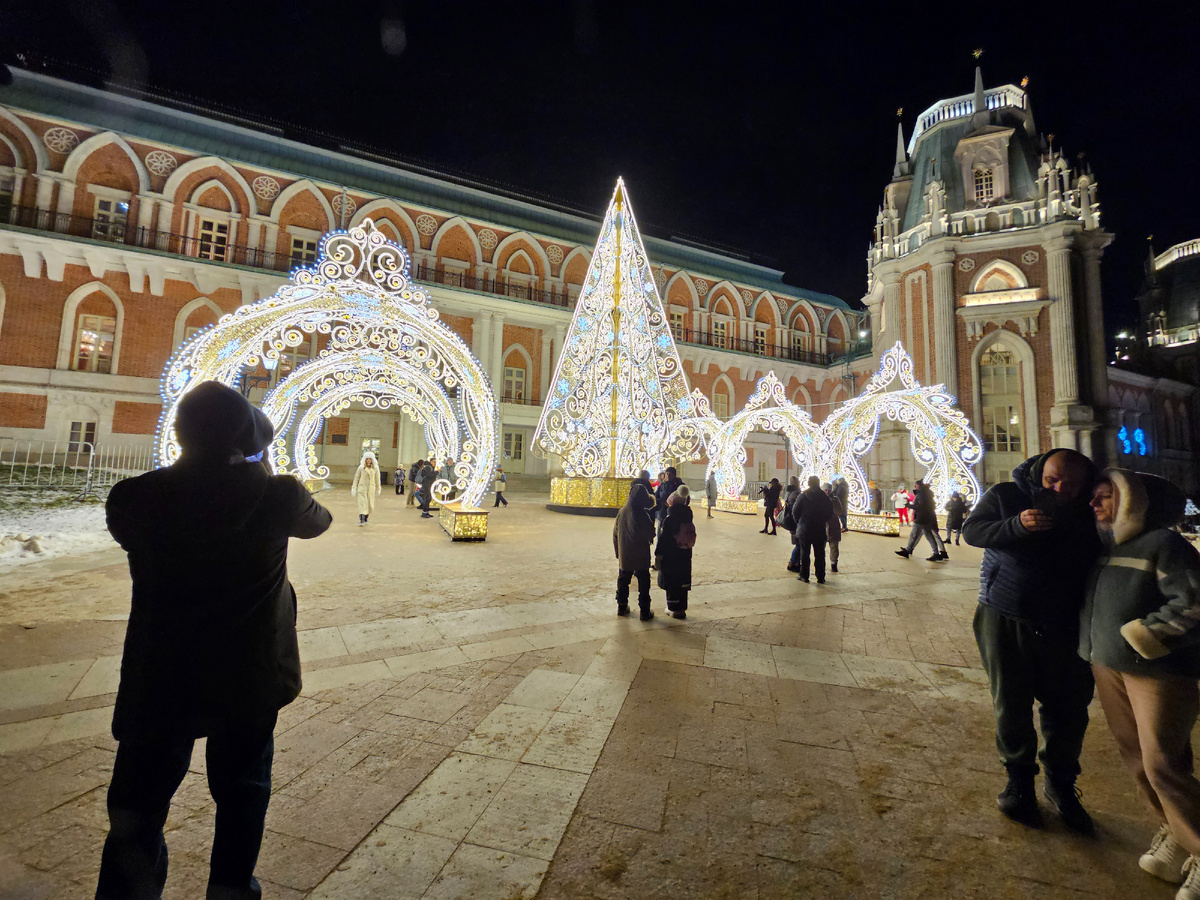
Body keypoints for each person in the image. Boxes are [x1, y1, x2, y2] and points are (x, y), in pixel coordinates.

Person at [96, 381, 332, 900]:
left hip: (161, 675)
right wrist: (257, 468)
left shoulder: (135, 497)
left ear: (180, 433)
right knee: (243, 792)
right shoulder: (275, 495)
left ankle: (128, 892)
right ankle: (230, 890)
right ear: (245, 440)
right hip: (248, 675)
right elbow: (320, 521)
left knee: (138, 802)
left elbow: (143, 526)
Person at [961, 448, 1102, 832]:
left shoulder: (1092, 506)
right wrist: (1016, 525)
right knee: (1011, 701)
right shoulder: (1006, 494)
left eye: (1071, 485)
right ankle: (1019, 781)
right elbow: (972, 531)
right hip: (1004, 614)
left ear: (1085, 483)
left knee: (1069, 708)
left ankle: (1061, 783)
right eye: (1052, 480)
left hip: (1067, 622)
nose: (1059, 490)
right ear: (1040, 471)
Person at [1081, 469, 1200, 894]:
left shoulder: (1164, 544)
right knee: (1136, 759)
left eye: (1104, 496)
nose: (1094, 504)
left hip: (1158, 672)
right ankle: (1176, 835)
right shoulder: (1109, 547)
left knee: (1163, 764)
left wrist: (1147, 635)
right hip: (1109, 665)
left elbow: (1193, 602)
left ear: (1132, 501)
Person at [614, 483, 656, 621]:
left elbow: (615, 534)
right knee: (643, 582)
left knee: (623, 580)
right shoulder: (642, 514)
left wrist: (618, 552)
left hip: (625, 554)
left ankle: (621, 606)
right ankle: (644, 611)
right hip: (640, 554)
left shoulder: (621, 512)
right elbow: (650, 533)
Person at [656, 486, 696, 619]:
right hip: (685, 554)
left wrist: (658, 555)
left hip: (671, 556)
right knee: (682, 580)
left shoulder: (670, 519)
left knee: (671, 580)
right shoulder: (688, 517)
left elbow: (663, 539)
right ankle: (682, 608)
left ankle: (673, 608)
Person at [788, 475, 834, 584]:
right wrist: (822, 521)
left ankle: (804, 575)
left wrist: (800, 522)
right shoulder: (825, 497)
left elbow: (795, 512)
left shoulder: (803, 496)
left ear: (809, 483)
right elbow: (829, 513)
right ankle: (820, 576)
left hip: (805, 529)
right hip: (819, 529)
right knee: (820, 554)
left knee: (804, 553)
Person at [895, 481, 947, 561]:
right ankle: (936, 553)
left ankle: (908, 550)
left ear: (919, 486)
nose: (914, 487)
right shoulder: (926, 494)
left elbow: (920, 506)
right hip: (926, 518)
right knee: (928, 535)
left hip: (921, 518)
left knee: (915, 534)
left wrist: (910, 505)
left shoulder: (921, 495)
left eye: (915, 485)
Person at [350, 453, 382, 525]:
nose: (368, 460)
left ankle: (366, 518)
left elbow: (377, 479)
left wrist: (378, 488)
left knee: (369, 504)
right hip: (362, 488)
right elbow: (356, 477)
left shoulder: (375, 468)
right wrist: (354, 487)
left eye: (370, 459)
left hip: (371, 489)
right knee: (362, 504)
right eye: (367, 459)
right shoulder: (361, 467)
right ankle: (361, 519)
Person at [824, 482, 845, 574]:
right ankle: (821, 564)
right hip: (822, 526)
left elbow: (840, 511)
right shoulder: (820, 499)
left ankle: (834, 564)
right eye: (825, 490)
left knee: (834, 547)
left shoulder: (835, 499)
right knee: (821, 547)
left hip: (833, 526)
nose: (827, 491)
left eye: (828, 490)